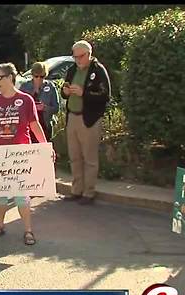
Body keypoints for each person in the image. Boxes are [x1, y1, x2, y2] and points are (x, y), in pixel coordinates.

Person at [0, 63, 49, 245]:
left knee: (22, 196)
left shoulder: (25, 100)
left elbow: (34, 125)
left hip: (20, 156)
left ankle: (28, 230)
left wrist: (46, 146)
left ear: (9, 78)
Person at [61, 40, 111, 206]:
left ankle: (89, 192)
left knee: (89, 158)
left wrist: (84, 93)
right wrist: (66, 92)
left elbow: (104, 96)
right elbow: (64, 92)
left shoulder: (98, 71)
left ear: (89, 54)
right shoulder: (72, 70)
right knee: (74, 157)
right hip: (72, 117)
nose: (77, 60)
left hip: (89, 119)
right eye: (75, 57)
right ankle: (76, 190)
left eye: (80, 57)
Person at [19, 62, 60, 142]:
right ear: (32, 75)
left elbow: (56, 108)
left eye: (42, 76)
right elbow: (19, 106)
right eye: (36, 76)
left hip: (45, 124)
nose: (39, 79)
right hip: (28, 125)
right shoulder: (25, 87)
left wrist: (45, 107)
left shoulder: (50, 87)